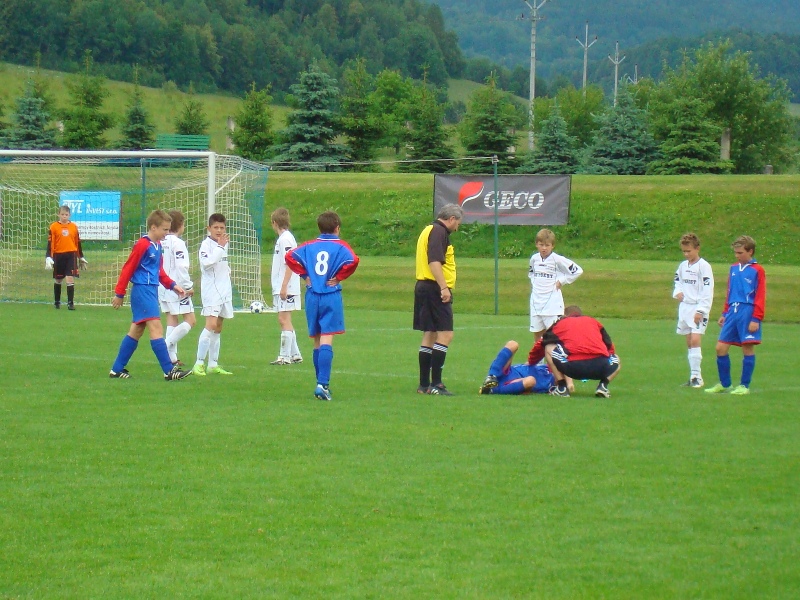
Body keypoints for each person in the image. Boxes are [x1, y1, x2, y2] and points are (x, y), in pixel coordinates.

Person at [285, 211, 359, 401]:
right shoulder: (340, 246)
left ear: (319, 228)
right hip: (330, 295)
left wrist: (305, 276)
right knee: (327, 337)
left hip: (312, 296)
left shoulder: (309, 246)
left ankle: (320, 382)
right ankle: (322, 384)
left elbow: (290, 257)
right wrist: (339, 277)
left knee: (317, 339)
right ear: (337, 228)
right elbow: (353, 260)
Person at [109, 210, 192, 380]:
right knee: (156, 328)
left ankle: (116, 369)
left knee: (137, 330)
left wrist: (172, 285)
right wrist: (119, 292)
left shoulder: (158, 246)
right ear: (153, 228)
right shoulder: (142, 244)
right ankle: (169, 371)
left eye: (169, 230)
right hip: (142, 290)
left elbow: (159, 271)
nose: (167, 233)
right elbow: (128, 268)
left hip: (150, 290)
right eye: (164, 229)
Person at [705, 235, 766, 395]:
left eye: (740, 253)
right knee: (720, 348)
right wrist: (725, 312)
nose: (737, 256)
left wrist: (756, 318)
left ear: (750, 251)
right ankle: (725, 384)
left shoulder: (757, 270)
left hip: (748, 311)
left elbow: (760, 295)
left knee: (747, 347)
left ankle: (744, 386)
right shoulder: (733, 268)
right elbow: (730, 291)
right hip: (733, 311)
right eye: (736, 253)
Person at [414, 203, 463, 396]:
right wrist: (444, 287)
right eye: (458, 223)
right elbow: (434, 261)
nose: (457, 227)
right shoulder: (439, 232)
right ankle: (436, 384)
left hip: (424, 287)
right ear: (451, 219)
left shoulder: (428, 229)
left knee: (430, 334)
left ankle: (424, 385)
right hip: (434, 288)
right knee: (445, 334)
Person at [528, 305, 620, 398]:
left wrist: (531, 362)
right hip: (600, 368)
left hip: (573, 368)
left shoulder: (561, 323)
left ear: (564, 316)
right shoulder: (594, 322)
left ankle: (562, 388)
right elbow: (609, 345)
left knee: (548, 347)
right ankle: (603, 386)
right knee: (616, 358)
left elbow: (542, 342)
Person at [192, 213, 234, 376]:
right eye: (215, 227)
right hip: (211, 291)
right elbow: (207, 264)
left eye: (222, 227)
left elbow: (223, 263)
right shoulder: (206, 245)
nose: (219, 230)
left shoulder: (224, 243)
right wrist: (220, 248)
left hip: (224, 289)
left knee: (218, 327)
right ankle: (198, 363)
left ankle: (213, 364)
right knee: (210, 325)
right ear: (209, 229)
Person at [672, 233, 714, 388]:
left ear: (697, 248)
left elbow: (707, 289)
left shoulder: (704, 266)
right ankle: (693, 375)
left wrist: (701, 310)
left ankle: (698, 377)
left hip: (697, 307)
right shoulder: (683, 266)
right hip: (685, 307)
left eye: (689, 251)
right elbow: (678, 281)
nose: (686, 254)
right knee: (689, 341)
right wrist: (678, 292)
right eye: (684, 251)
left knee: (696, 339)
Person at [528, 228, 582, 341]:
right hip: (536, 302)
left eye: (547, 245)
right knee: (537, 334)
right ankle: (538, 359)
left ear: (552, 246)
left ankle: (555, 358)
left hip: (552, 305)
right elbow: (531, 273)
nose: (544, 248)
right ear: (536, 244)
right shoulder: (534, 259)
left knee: (554, 334)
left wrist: (562, 281)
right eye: (541, 244)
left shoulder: (557, 259)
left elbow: (577, 271)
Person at [159, 210, 196, 366]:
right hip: (176, 288)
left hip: (162, 287)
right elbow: (181, 267)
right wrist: (188, 286)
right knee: (191, 321)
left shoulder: (161, 241)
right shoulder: (178, 243)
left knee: (171, 320)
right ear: (180, 225)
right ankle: (164, 348)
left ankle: (172, 358)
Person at [479, 340, 574, 396]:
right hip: (508, 371)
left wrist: (569, 384)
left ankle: (491, 390)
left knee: (530, 380)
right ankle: (491, 376)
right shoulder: (545, 366)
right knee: (513, 344)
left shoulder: (549, 385)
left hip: (515, 381)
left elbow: (529, 388)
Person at [270, 207, 303, 365]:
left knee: (283, 319)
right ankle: (295, 354)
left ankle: (284, 357)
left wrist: (284, 286)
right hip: (284, 285)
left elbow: (291, 263)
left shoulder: (285, 239)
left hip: (286, 286)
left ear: (274, 223)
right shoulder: (285, 238)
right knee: (285, 319)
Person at [46, 205, 88, 310]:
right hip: (58, 255)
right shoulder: (54, 227)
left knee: (70, 278)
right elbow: (50, 243)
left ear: (69, 215)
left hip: (71, 254)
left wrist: (81, 256)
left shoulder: (73, 227)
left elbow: (77, 242)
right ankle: (57, 302)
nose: (64, 216)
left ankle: (70, 303)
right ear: (58, 215)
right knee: (58, 279)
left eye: (66, 215)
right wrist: (48, 257)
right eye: (62, 214)